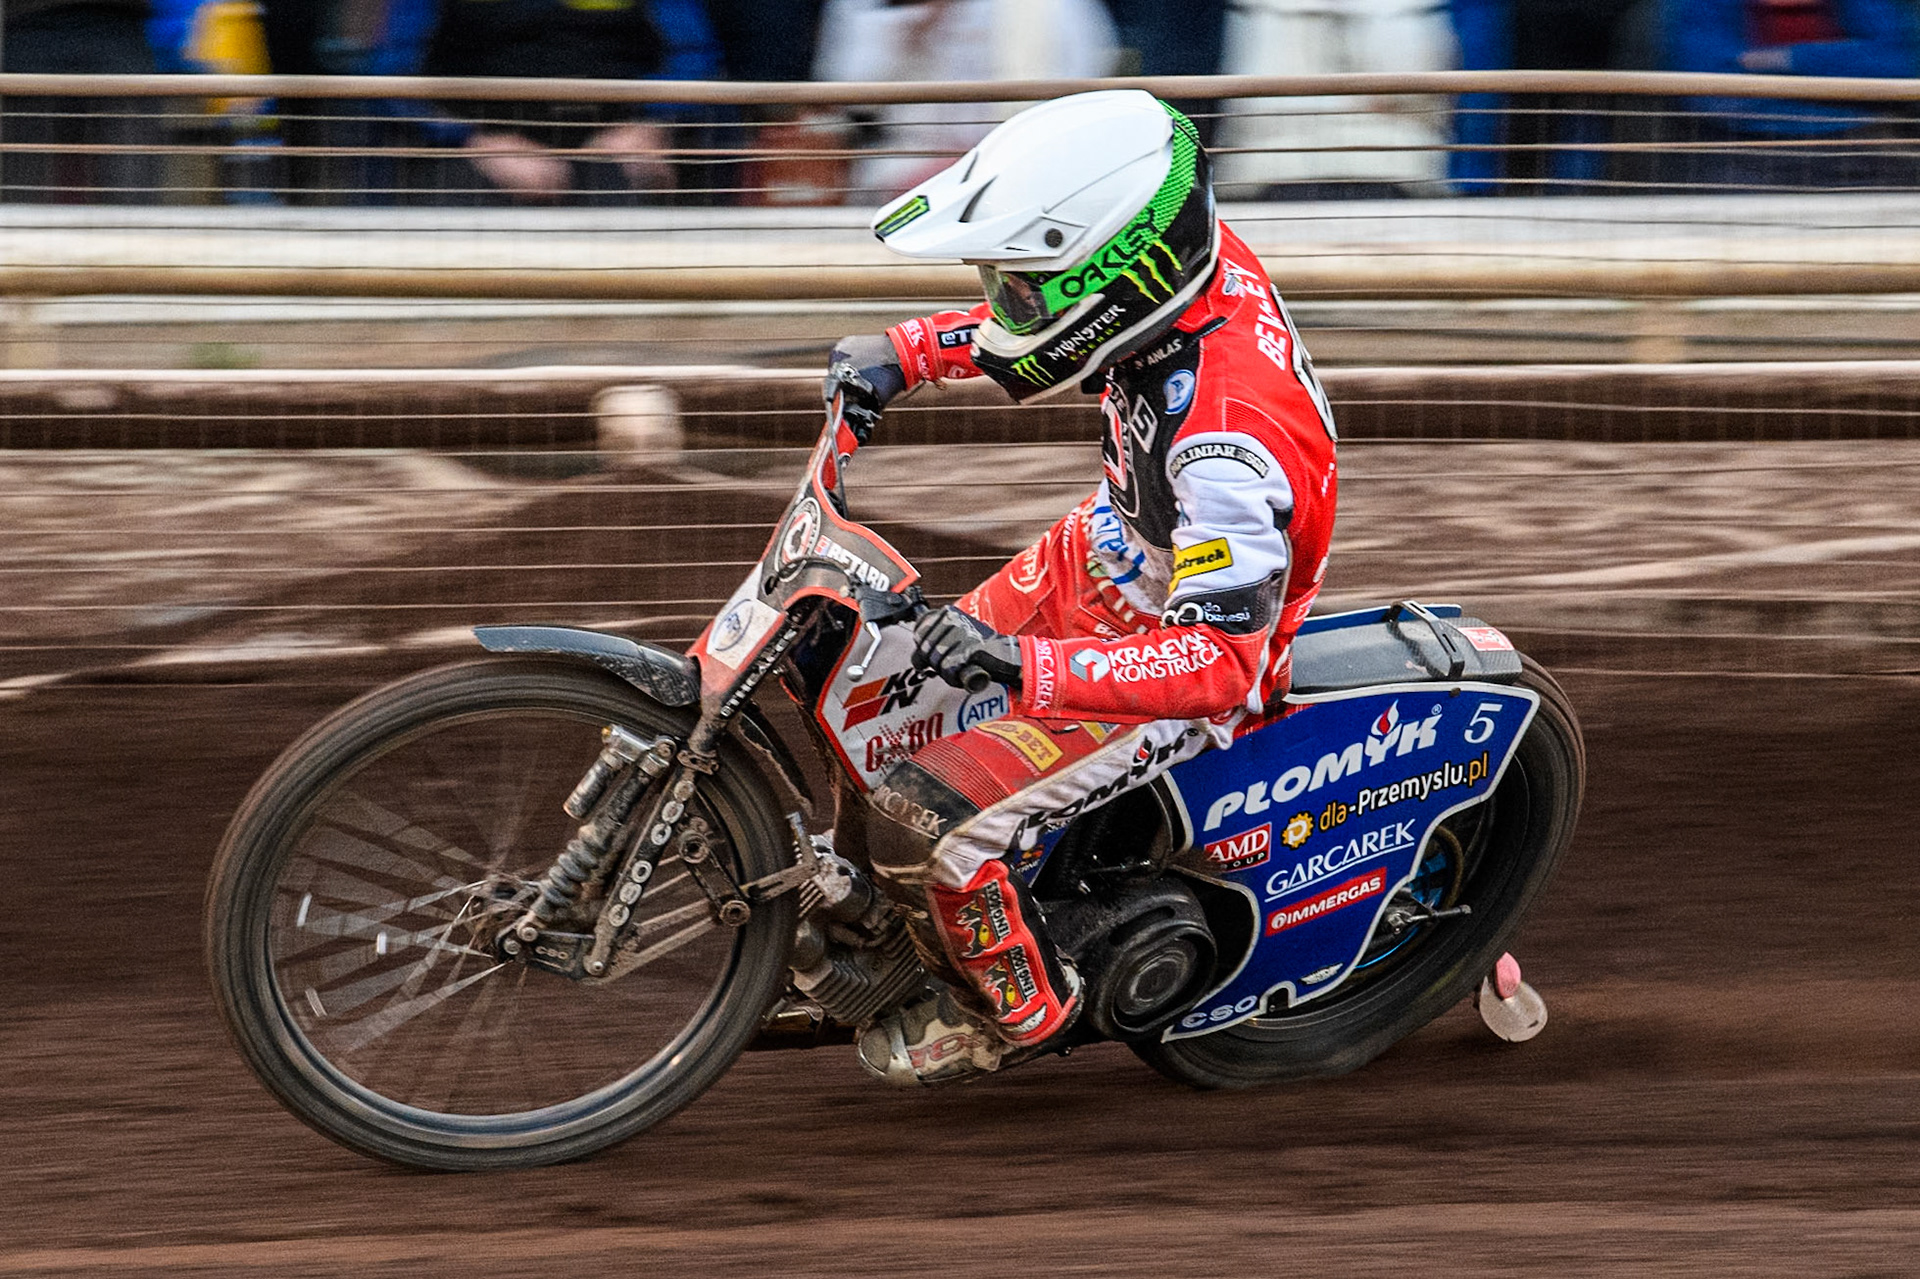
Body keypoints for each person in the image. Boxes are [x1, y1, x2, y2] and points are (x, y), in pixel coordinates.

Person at [821, 90, 1340, 1085]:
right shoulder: (1185, 265)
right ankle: (900, 926)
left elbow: (1219, 666)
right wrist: (917, 348)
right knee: (876, 698)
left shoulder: (1226, 446)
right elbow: (1064, 315)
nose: (1005, 304)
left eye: (1017, 290)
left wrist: (1027, 667)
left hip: (1166, 657)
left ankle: (1015, 1010)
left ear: (1121, 279)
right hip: (1102, 554)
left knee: (923, 824)